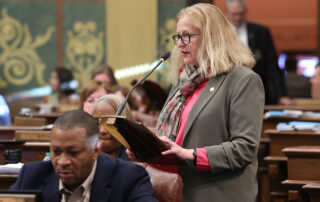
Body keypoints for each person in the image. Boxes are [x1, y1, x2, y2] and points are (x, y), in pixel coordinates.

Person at [127, 3, 264, 202]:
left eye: (187, 36)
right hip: (171, 189)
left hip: (215, 193)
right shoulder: (183, 81)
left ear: (211, 36)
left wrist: (191, 154)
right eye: (178, 37)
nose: (180, 43)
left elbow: (244, 148)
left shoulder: (242, 80)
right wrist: (145, 148)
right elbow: (175, 135)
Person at [10, 110, 157, 202]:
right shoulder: (31, 177)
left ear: (96, 151)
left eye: (74, 152)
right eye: (56, 152)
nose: (63, 161)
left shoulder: (128, 178)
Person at [225, 0, 292, 105]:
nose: (238, 18)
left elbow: (272, 65)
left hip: (257, 89)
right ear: (227, 12)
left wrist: (281, 95)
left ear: (246, 11)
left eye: (241, 13)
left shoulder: (261, 32)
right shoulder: (221, 33)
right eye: (234, 14)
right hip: (229, 90)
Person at [91, 94, 131, 160]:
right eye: (97, 122)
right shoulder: (82, 160)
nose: (102, 131)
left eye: (110, 123)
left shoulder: (136, 162)